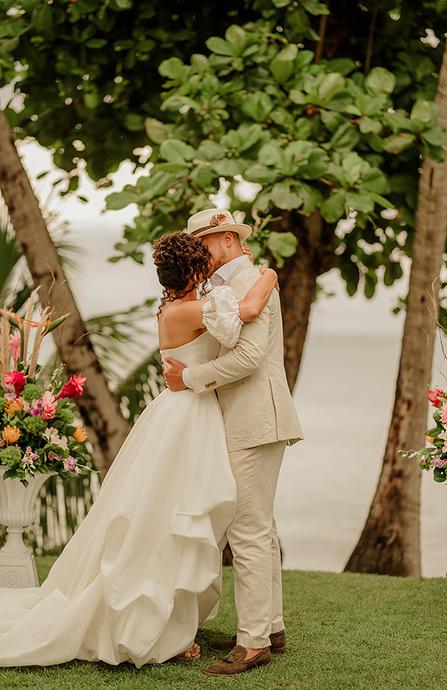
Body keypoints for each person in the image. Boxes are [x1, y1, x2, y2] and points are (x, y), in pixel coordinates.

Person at [0, 231, 278, 668]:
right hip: (189, 414)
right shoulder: (193, 309)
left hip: (181, 413)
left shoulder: (171, 306)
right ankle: (160, 622)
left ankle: (180, 620)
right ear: (194, 269)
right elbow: (248, 309)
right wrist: (268, 274)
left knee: (165, 516)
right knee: (169, 519)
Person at [163, 208, 303, 676]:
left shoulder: (248, 282)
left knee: (247, 531)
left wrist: (191, 378)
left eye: (203, 241)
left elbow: (247, 356)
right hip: (244, 420)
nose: (199, 251)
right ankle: (271, 628)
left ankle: (253, 643)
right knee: (259, 528)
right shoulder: (227, 287)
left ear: (224, 238)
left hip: (255, 419)